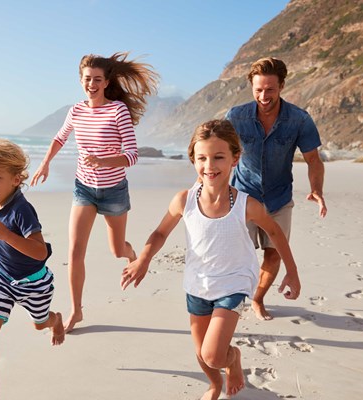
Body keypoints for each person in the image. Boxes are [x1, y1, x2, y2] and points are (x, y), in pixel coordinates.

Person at [121, 120, 301, 400]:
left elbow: (275, 232)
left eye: (219, 157)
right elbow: (159, 232)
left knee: (214, 353)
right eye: (202, 158)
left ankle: (234, 358)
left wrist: (292, 271)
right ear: (193, 159)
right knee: (202, 354)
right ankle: (215, 385)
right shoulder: (184, 200)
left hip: (234, 283)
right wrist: (143, 259)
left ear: (235, 159)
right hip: (197, 284)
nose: (210, 165)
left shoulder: (247, 205)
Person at [30, 52, 159, 332]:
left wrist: (103, 160)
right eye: (87, 79)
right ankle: (76, 310)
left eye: (97, 79)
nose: (92, 84)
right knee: (75, 251)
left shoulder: (118, 111)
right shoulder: (76, 110)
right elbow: (60, 137)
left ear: (106, 81)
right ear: (81, 81)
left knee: (116, 250)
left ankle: (131, 253)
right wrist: (45, 163)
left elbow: (132, 155)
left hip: (113, 191)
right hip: (84, 190)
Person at [225, 57, 326, 321]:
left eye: (270, 89)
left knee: (274, 253)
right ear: (251, 87)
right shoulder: (236, 116)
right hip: (242, 196)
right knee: (239, 255)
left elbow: (313, 160)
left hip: (279, 197)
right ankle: (234, 298)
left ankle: (257, 299)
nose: (263, 95)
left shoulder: (299, 119)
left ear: (281, 86)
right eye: (258, 89)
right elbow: (219, 151)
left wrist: (317, 190)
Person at [0, 139, 64, 400]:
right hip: (1, 278)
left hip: (34, 283)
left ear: (15, 179)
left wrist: (3, 234)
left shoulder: (23, 210)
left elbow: (40, 252)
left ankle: (54, 320)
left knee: (39, 324)